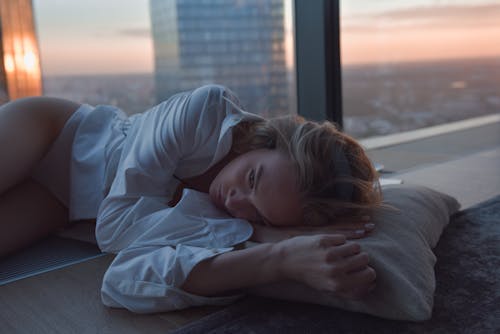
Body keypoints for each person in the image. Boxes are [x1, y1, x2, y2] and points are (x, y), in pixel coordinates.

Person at [0, 84, 381, 313]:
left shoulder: (233, 220)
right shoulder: (205, 112)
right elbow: (115, 229)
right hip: (54, 134)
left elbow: (126, 278)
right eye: (252, 177)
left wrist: (257, 240)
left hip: (58, 205)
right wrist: (257, 236)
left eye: (260, 216)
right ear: (267, 140)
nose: (235, 201)